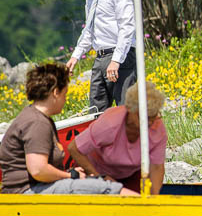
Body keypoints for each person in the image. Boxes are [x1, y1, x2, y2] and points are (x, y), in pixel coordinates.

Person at [0, 62, 135, 195]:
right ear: (55, 92)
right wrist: (70, 176)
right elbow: (38, 170)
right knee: (102, 187)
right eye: (64, 94)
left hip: (35, 187)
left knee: (95, 181)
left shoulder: (36, 117)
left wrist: (69, 173)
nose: (65, 100)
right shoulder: (37, 123)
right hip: (26, 192)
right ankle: (144, 208)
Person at [65, 0, 137, 112]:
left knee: (125, 111)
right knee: (96, 112)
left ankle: (132, 139)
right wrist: (75, 56)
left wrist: (116, 60)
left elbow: (127, 28)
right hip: (100, 57)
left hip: (122, 56)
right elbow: (89, 29)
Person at [68, 82, 169, 194]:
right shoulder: (110, 123)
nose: (150, 121)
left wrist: (153, 199)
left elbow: (156, 167)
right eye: (145, 116)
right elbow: (74, 148)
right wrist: (99, 179)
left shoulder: (157, 128)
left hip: (131, 175)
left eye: (154, 115)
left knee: (137, 205)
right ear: (131, 110)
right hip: (96, 171)